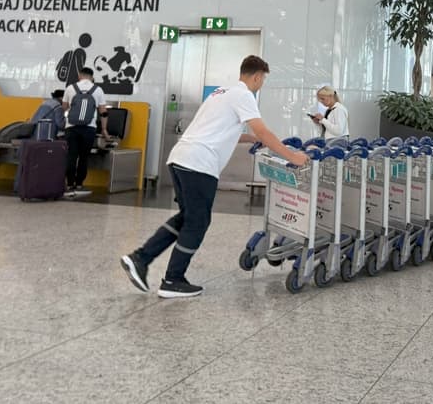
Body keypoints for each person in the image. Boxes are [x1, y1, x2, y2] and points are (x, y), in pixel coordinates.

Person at [121, 56, 309, 298]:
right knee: (198, 222)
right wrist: (294, 157)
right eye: (262, 80)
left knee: (186, 217)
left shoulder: (221, 92)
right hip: (199, 164)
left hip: (180, 158)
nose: (261, 84)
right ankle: (172, 280)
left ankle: (140, 258)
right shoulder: (244, 95)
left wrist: (252, 140)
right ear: (257, 76)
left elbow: (219, 130)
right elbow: (262, 129)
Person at [62, 67, 109, 197]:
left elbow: (64, 107)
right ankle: (79, 185)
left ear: (79, 76)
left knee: (71, 155)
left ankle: (69, 184)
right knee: (84, 157)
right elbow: (103, 112)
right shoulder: (98, 90)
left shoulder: (70, 88)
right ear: (92, 77)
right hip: (89, 128)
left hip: (71, 127)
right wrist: (104, 130)